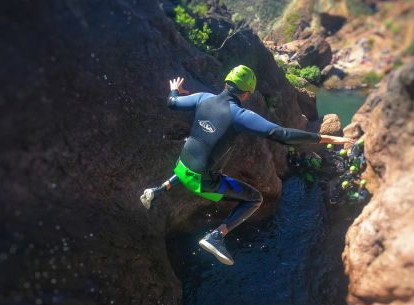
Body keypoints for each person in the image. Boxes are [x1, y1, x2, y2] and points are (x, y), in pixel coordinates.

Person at [141, 65, 353, 266]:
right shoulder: (239, 115)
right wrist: (327, 139)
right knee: (255, 199)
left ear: (226, 84)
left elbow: (172, 102)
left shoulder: (202, 98)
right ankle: (216, 236)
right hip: (202, 181)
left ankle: (156, 191)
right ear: (246, 94)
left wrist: (175, 91)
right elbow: (282, 135)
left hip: (182, 165)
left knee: (195, 158)